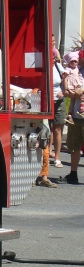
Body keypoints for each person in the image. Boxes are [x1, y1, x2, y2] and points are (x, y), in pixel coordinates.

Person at [60, 50, 84, 184]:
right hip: (75, 115)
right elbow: (70, 91)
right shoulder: (76, 71)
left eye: (80, 59)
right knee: (74, 145)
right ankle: (73, 174)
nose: (79, 61)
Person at [49, 34, 65, 168]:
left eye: (54, 57)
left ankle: (57, 158)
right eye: (51, 56)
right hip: (47, 101)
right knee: (47, 129)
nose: (53, 59)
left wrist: (63, 91)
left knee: (58, 129)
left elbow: (65, 82)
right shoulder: (44, 68)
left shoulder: (58, 67)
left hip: (59, 100)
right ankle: (47, 154)